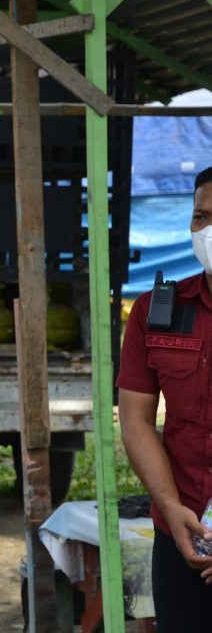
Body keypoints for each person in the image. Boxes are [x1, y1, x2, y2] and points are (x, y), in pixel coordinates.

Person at [119, 166, 212, 632]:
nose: (208, 230)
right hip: (180, 533)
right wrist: (172, 510)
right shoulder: (159, 312)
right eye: (201, 217)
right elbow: (135, 420)